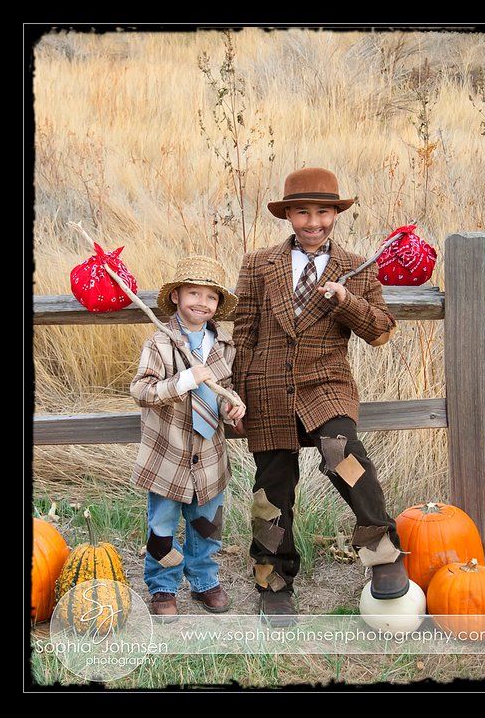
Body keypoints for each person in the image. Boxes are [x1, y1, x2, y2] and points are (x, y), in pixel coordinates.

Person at [231, 167, 408, 625]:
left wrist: (346, 300)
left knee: (342, 454)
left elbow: (382, 331)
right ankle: (273, 581)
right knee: (272, 490)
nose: (314, 221)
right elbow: (245, 333)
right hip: (267, 390)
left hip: (324, 384)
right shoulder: (257, 264)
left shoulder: (356, 266)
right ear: (288, 215)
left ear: (336, 213)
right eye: (303, 211)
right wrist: (235, 394)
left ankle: (382, 551)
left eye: (324, 211)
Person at [130, 255, 245, 616]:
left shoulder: (223, 347)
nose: (202, 303)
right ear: (177, 296)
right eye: (193, 293)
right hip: (170, 454)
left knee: (207, 523)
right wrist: (184, 380)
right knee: (162, 524)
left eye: (211, 297)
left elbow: (224, 391)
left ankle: (204, 581)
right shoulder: (161, 343)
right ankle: (163, 587)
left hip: (210, 454)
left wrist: (232, 407)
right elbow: (142, 391)